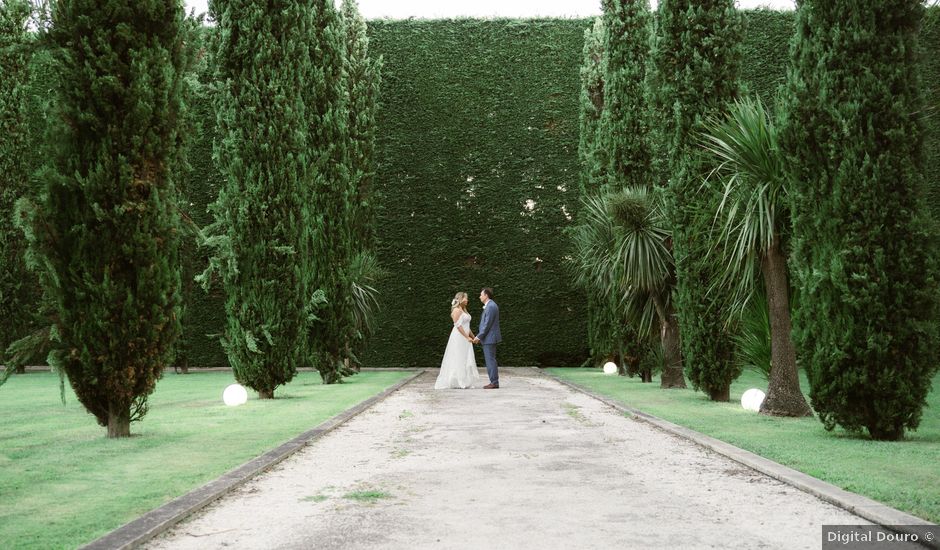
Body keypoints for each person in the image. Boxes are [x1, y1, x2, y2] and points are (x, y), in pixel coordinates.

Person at [434, 292, 481, 389]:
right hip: (459, 337)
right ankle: (456, 381)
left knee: (464, 357)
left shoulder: (464, 310)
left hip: (465, 338)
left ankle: (464, 380)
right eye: (465, 298)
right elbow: (458, 326)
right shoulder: (456, 310)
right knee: (458, 356)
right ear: (460, 299)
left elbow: (467, 326)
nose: (467, 300)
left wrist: (473, 336)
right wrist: (466, 337)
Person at [472, 287, 501, 389]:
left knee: (490, 360)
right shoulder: (490, 305)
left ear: (486, 295)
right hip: (489, 338)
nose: (480, 296)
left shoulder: (491, 306)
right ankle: (494, 381)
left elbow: (487, 324)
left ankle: (494, 382)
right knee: (490, 360)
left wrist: (478, 336)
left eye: (481, 294)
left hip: (490, 338)